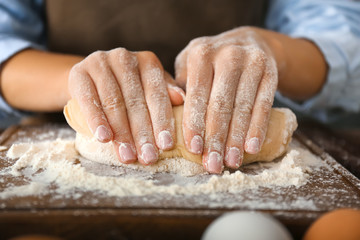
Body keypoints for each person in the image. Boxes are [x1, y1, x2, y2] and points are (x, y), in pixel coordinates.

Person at [0, 0, 359, 174]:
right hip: (59, 123)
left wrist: (275, 50)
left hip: (249, 117)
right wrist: (83, 81)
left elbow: (343, 31)